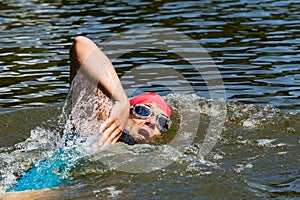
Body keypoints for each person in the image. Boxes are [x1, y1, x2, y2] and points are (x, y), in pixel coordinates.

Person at [69, 36, 171, 150]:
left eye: (162, 122)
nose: (152, 122)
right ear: (125, 113)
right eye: (143, 111)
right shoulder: (97, 124)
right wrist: (120, 100)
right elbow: (82, 44)